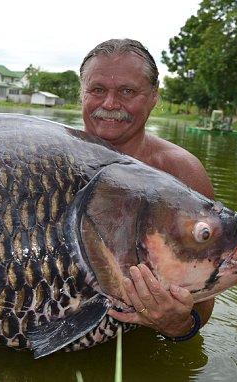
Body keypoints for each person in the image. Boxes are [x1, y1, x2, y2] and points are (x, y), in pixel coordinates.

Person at [78, 38, 215, 341]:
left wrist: (178, 324)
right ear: (82, 93)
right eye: (97, 90)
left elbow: (204, 301)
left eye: (127, 91)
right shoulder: (49, 162)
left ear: (154, 96)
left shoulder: (181, 172)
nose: (110, 104)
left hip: (135, 342)